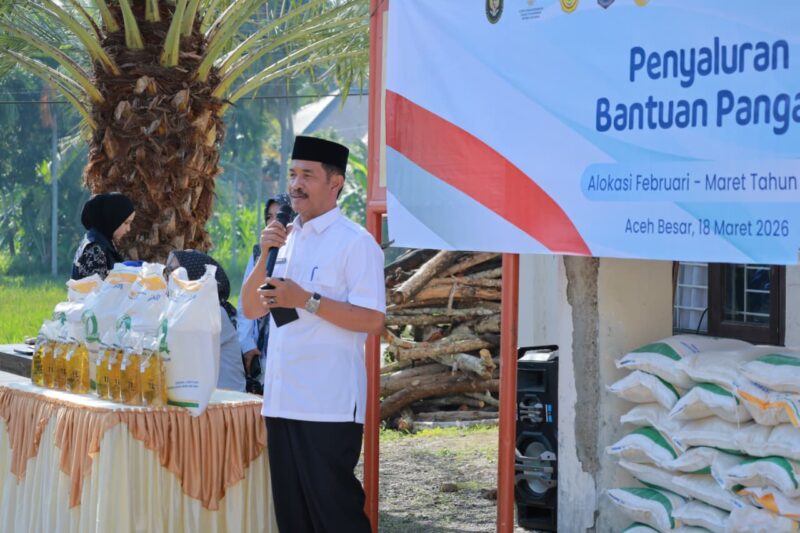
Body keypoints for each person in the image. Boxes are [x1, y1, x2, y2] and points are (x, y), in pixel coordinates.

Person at [241, 136, 385, 532]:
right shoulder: (283, 238)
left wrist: (308, 300)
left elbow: (373, 321)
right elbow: (252, 309)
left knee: (335, 517)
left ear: (335, 183)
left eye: (307, 175)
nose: (295, 184)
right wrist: (265, 251)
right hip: (282, 401)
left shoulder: (356, 243)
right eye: (292, 174)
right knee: (293, 520)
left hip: (328, 405)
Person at [236, 193, 294, 394]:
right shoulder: (259, 253)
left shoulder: (300, 252)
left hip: (291, 348)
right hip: (261, 348)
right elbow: (246, 303)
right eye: (269, 217)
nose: (273, 223)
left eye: (280, 217)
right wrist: (247, 344)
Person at [166, 250, 246, 392]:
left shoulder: (213, 312)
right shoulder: (186, 313)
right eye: (167, 272)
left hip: (227, 405)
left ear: (193, 274)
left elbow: (175, 355)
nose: (170, 278)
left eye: (174, 271)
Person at [71, 192, 135, 279]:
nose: (128, 229)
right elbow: (98, 290)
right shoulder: (95, 249)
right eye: (126, 223)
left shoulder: (99, 242)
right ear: (113, 219)